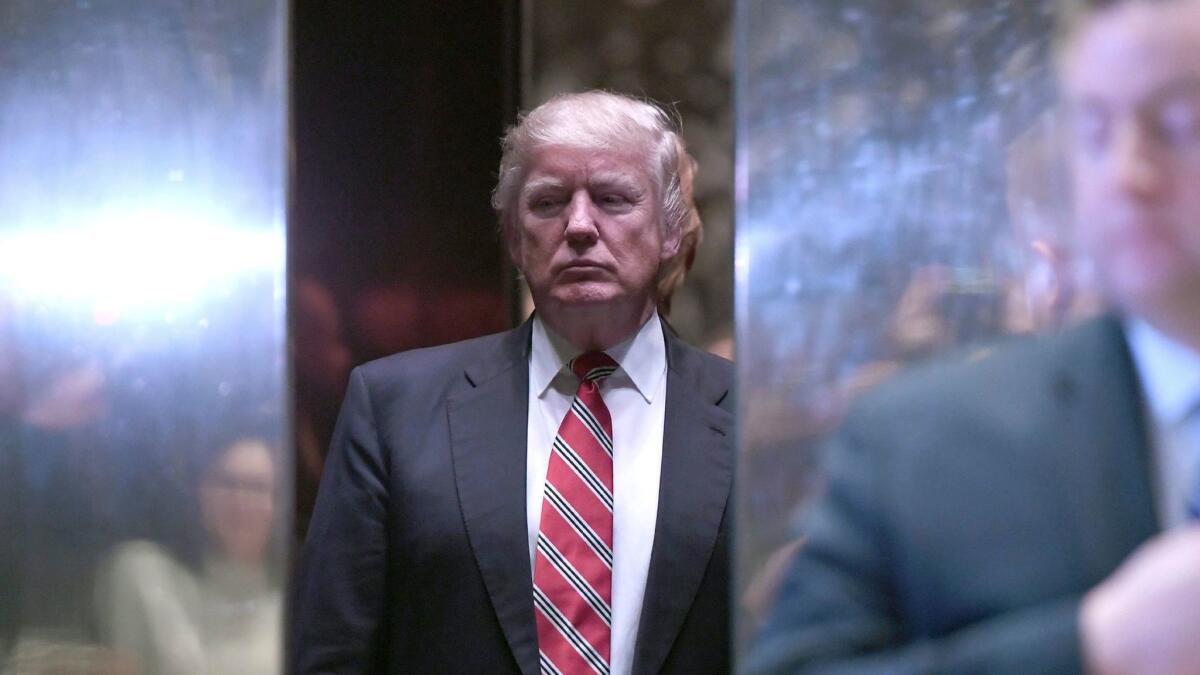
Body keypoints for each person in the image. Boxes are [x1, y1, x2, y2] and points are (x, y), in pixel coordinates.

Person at [747, 0, 1200, 673]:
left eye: (1179, 125)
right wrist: (1089, 649)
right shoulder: (918, 447)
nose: (1127, 173)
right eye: (1096, 131)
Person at [291, 91, 733, 675]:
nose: (578, 225)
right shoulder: (396, 409)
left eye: (612, 198)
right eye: (548, 203)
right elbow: (332, 653)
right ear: (513, 237)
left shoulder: (749, 416)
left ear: (672, 229)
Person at [95, 437, 283, 675]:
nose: (240, 501)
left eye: (256, 487)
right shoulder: (145, 576)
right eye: (226, 483)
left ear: (278, 504)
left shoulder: (293, 605)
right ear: (200, 493)